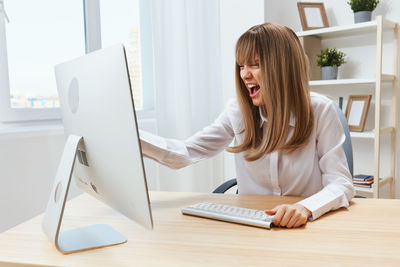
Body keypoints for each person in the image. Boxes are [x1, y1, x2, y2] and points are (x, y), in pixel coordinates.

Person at [140, 22, 355, 228]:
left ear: (283, 68)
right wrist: (130, 138)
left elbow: (341, 183)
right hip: (251, 224)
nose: (244, 74)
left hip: (304, 227)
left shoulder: (320, 111)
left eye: (255, 64)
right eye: (241, 66)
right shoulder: (237, 112)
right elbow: (186, 152)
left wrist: (305, 207)